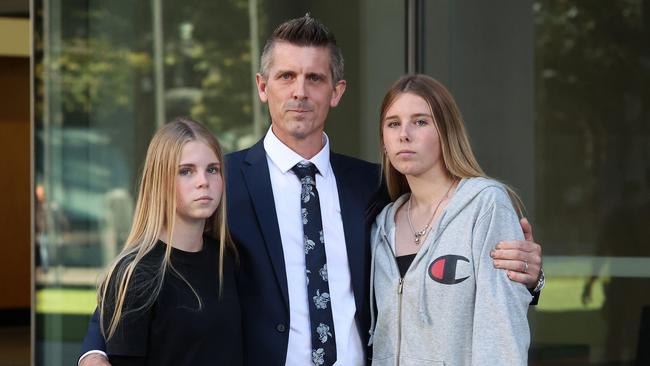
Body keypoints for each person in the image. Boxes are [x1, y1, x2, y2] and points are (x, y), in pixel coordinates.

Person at [79, 15, 543, 366]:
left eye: (315, 78)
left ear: (336, 91)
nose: (300, 91)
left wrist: (527, 275)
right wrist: (96, 349)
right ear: (263, 87)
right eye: (286, 77)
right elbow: (150, 266)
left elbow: (433, 254)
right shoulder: (223, 181)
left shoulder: (375, 188)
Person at [368, 75, 531, 365]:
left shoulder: (484, 205)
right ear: (383, 141)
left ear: (446, 131)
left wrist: (535, 278)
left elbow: (501, 333)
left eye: (420, 121)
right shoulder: (381, 225)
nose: (404, 134)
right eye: (393, 123)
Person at [92, 117, 241, 365]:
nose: (203, 181)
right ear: (160, 180)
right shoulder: (135, 274)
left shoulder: (227, 258)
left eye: (212, 169)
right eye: (186, 171)